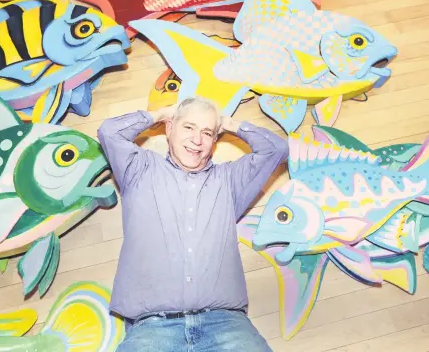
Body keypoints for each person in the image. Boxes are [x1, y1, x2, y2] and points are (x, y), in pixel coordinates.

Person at [97, 97, 288, 351]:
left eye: (207, 132)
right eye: (188, 127)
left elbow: (276, 148)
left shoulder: (229, 180)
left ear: (214, 141)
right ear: (169, 129)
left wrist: (228, 123)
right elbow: (108, 132)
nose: (197, 140)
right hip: (153, 329)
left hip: (226, 324)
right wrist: (161, 113)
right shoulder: (138, 169)